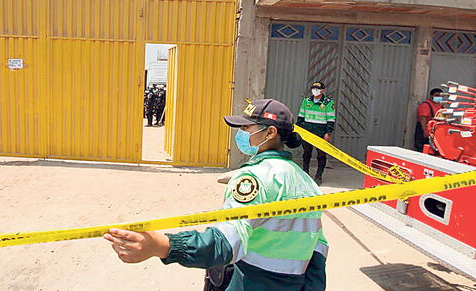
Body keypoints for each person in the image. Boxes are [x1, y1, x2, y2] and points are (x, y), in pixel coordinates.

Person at [104, 99, 328, 291]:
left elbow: (225, 244)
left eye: (247, 129)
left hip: (251, 282)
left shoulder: (254, 179)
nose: (241, 135)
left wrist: (162, 245)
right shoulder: (307, 182)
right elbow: (318, 250)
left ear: (270, 132)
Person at [297, 82, 336, 186]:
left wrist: (328, 133)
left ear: (323, 90)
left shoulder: (328, 102)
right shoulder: (306, 101)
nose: (315, 90)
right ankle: (305, 173)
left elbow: (331, 119)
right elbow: (301, 116)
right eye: (313, 88)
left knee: (321, 155)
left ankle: (319, 176)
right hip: (307, 131)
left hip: (321, 132)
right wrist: (298, 129)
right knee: (306, 153)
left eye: (318, 88)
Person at [414, 88, 443, 152]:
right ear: (431, 96)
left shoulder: (441, 106)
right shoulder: (425, 105)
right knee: (422, 148)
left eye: (440, 96)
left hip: (436, 130)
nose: (439, 97)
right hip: (425, 129)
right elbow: (423, 118)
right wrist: (425, 130)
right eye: (437, 95)